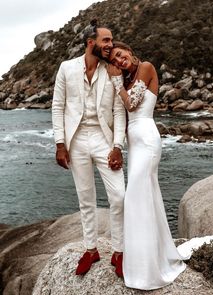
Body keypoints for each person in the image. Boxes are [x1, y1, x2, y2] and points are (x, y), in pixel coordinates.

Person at [107, 41, 186, 290]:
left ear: (129, 51)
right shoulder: (129, 77)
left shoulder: (147, 67)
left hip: (148, 141)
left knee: (134, 199)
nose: (120, 61)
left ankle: (147, 270)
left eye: (120, 55)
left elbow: (132, 104)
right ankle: (153, 257)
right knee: (147, 198)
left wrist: (116, 82)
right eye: (115, 61)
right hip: (135, 143)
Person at [52, 21, 126, 277]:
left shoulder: (114, 70)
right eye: (106, 40)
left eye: (112, 41)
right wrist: (60, 143)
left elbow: (118, 110)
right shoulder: (66, 68)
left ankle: (119, 251)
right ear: (90, 42)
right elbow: (58, 106)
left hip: (104, 139)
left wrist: (118, 145)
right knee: (86, 199)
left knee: (119, 196)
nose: (111, 45)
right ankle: (91, 248)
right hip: (77, 140)